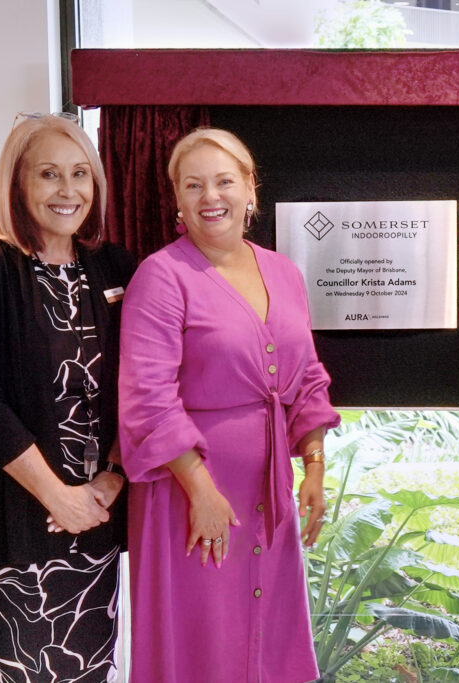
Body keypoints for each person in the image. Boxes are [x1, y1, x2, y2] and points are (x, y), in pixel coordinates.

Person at [119, 127, 339, 682]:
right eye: (193, 185)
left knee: (268, 639)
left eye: (223, 181)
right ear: (177, 199)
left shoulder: (283, 272)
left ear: (249, 189)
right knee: (203, 641)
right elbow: (148, 398)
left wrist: (313, 462)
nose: (209, 197)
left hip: (267, 491)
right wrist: (201, 491)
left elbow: (307, 378)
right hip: (190, 496)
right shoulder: (161, 277)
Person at [0, 113, 135, 681]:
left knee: (86, 665)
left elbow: (143, 385)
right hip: (15, 524)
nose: (68, 191)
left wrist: (108, 480)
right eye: (49, 175)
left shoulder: (117, 267)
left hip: (98, 519)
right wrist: (58, 496)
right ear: (17, 183)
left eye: (81, 174)